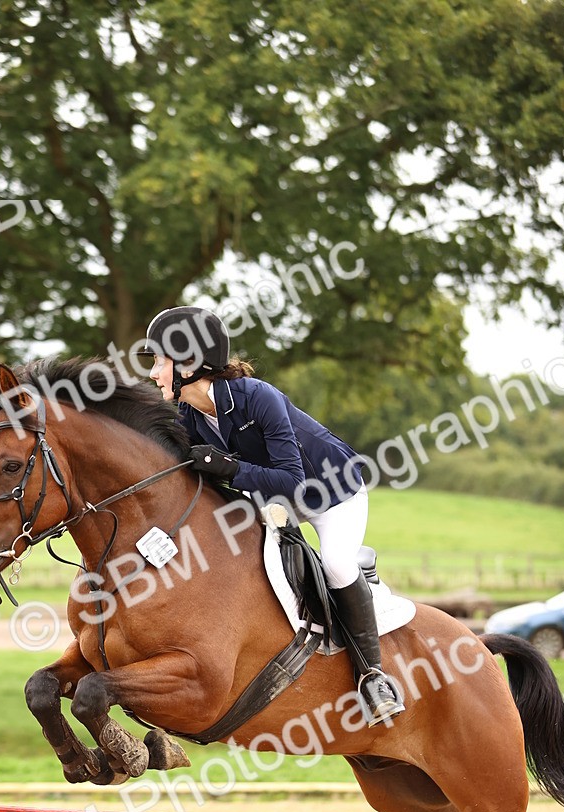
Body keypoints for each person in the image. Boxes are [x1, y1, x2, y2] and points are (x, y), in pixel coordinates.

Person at [141, 305, 404, 726]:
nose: (154, 374)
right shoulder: (188, 415)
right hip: (273, 499)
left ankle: (374, 676)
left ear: (189, 364)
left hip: (331, 492)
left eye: (159, 362)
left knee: (335, 564)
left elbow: (291, 479)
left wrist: (228, 468)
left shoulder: (257, 396)